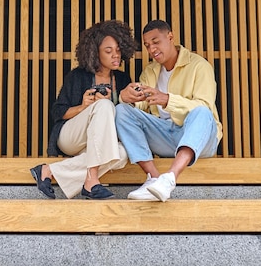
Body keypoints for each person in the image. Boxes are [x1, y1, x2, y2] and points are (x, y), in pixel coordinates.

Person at [115, 20, 222, 202]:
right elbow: (142, 106)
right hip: (165, 136)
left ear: (170, 37)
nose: (152, 49)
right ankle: (154, 178)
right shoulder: (150, 72)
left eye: (156, 42)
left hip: (199, 138)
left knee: (202, 112)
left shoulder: (199, 66)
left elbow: (205, 106)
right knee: (121, 110)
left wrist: (168, 100)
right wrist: (126, 97)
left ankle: (170, 178)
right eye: (148, 45)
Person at [30, 20, 137, 199]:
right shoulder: (78, 76)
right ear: (95, 53)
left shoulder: (123, 79)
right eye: (108, 51)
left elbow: (126, 117)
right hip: (72, 137)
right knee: (103, 105)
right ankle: (91, 180)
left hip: (98, 143)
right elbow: (58, 112)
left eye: (118, 50)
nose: (115, 55)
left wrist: (123, 100)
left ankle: (49, 171)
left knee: (122, 153)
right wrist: (84, 106)